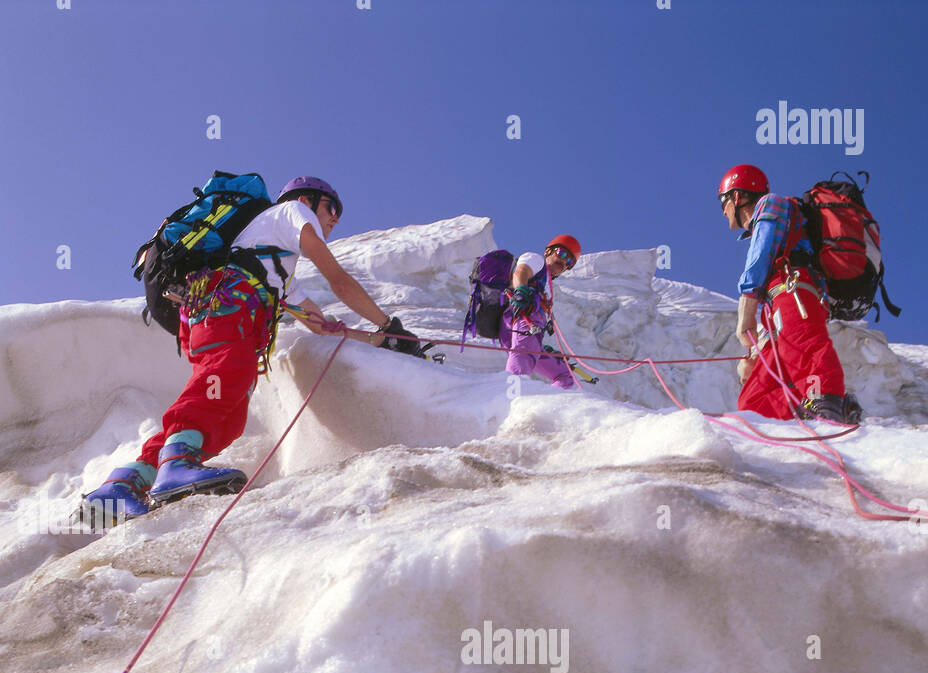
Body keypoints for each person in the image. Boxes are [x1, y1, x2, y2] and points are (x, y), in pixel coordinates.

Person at [84, 176, 418, 519]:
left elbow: (318, 324)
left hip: (217, 316)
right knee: (221, 383)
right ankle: (177, 465)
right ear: (306, 199)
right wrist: (386, 323)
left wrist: (379, 340)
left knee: (227, 418)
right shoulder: (291, 212)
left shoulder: (274, 263)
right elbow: (340, 282)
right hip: (226, 311)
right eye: (331, 207)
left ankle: (124, 483)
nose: (335, 218)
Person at [719, 164, 859, 424]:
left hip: (793, 287)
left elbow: (760, 253)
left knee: (804, 345)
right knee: (754, 399)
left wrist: (747, 304)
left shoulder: (770, 204)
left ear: (737, 196)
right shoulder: (773, 211)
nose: (723, 210)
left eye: (723, 201)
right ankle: (800, 412)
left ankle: (827, 402)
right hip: (778, 302)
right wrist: (755, 349)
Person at [500, 236, 581, 390]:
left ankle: (545, 407)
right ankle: (509, 399)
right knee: (523, 356)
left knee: (564, 375)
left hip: (527, 327)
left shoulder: (547, 285)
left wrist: (541, 347)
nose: (563, 262)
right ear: (548, 251)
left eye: (569, 263)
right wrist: (521, 292)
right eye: (561, 254)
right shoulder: (536, 259)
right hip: (523, 314)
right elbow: (521, 271)